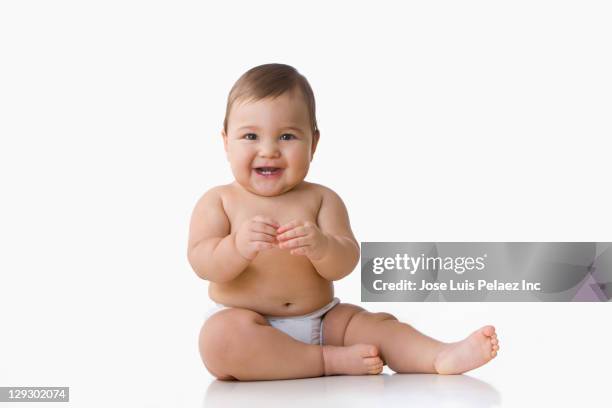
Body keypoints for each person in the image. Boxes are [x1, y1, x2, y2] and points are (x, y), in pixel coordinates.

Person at [187, 63, 500, 381]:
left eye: (287, 136)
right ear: (226, 142)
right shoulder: (220, 201)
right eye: (250, 136)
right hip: (248, 325)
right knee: (219, 339)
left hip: (322, 321)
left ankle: (438, 355)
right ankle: (326, 362)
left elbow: (344, 263)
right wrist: (236, 247)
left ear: (314, 143)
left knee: (375, 326)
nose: (269, 150)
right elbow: (203, 263)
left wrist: (321, 247)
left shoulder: (322, 199)